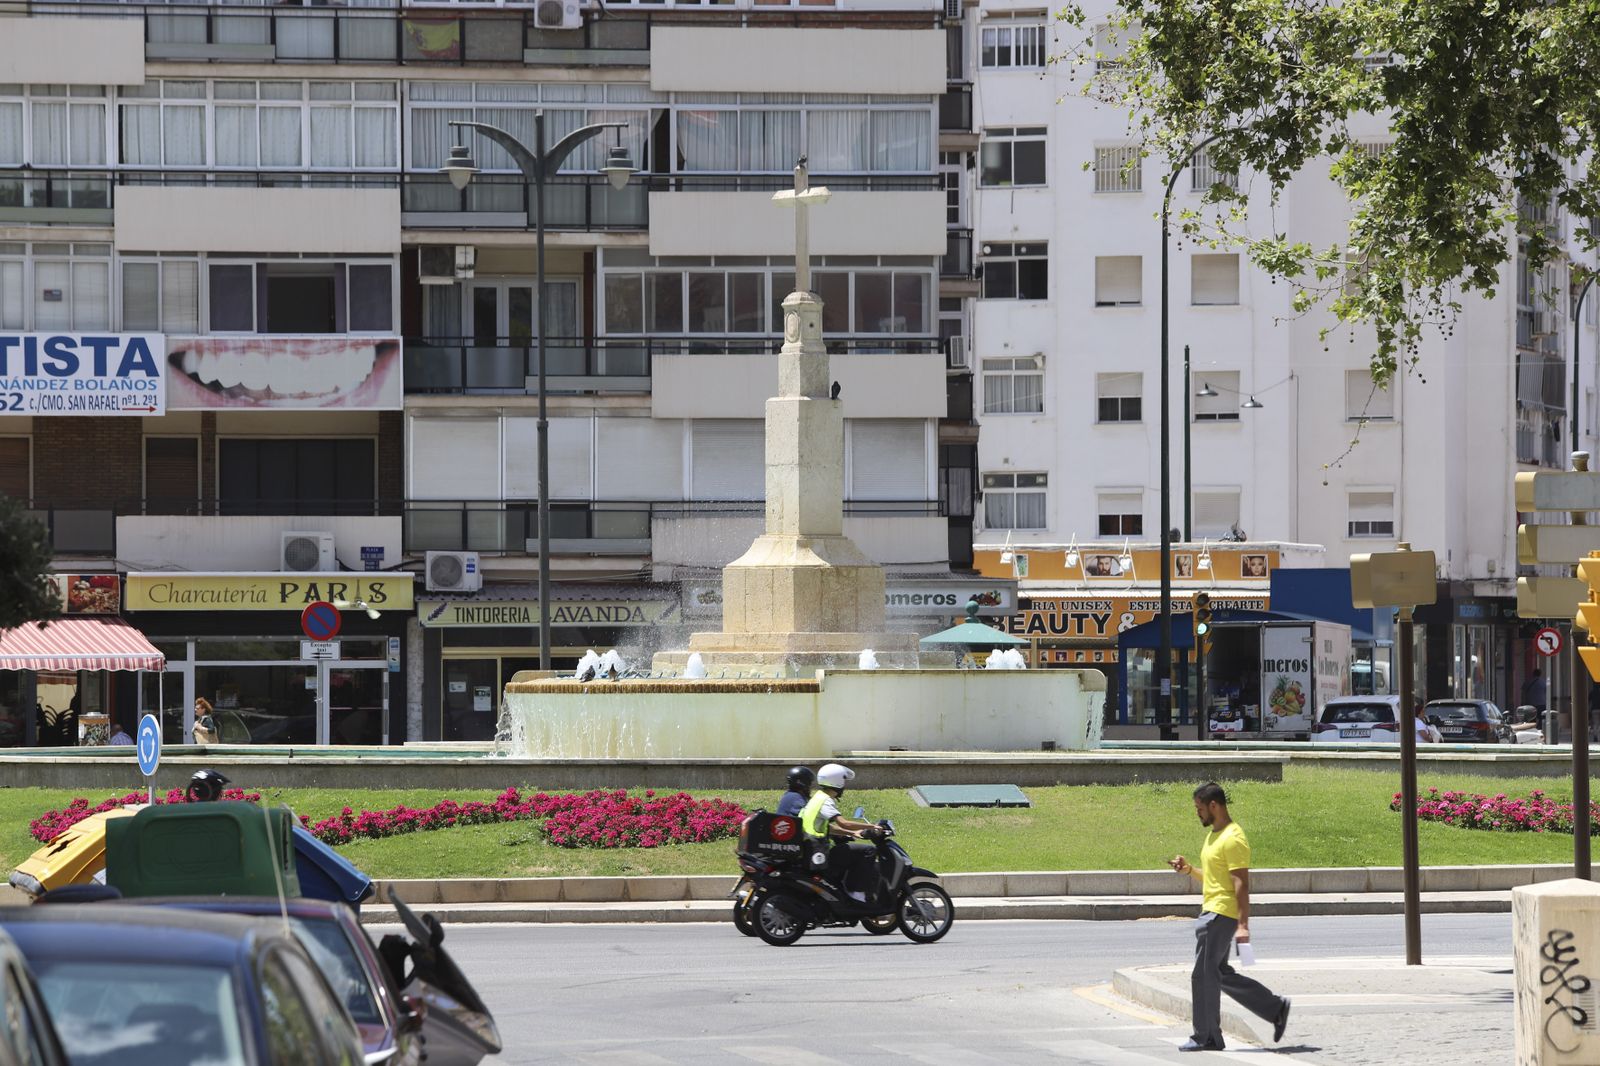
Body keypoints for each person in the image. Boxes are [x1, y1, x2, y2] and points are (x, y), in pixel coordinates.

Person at [1167, 782, 1290, 1053]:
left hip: (1219, 915)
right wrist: (1189, 870)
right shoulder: (1214, 835)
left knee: (1202, 975)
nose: (1197, 814)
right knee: (1219, 973)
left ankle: (1207, 1036)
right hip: (1213, 911)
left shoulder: (1233, 838)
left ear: (1214, 805)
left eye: (1200, 809)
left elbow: (1241, 885)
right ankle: (1275, 1008)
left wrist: (1243, 925)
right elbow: (1214, 878)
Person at [800, 762, 882, 902]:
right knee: (868, 850)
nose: (844, 785)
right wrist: (872, 827)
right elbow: (844, 823)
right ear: (837, 781)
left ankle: (842, 888)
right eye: (843, 781)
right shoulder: (825, 801)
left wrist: (850, 834)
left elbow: (828, 827)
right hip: (817, 850)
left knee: (847, 850)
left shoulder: (817, 798)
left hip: (810, 847)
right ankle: (856, 893)